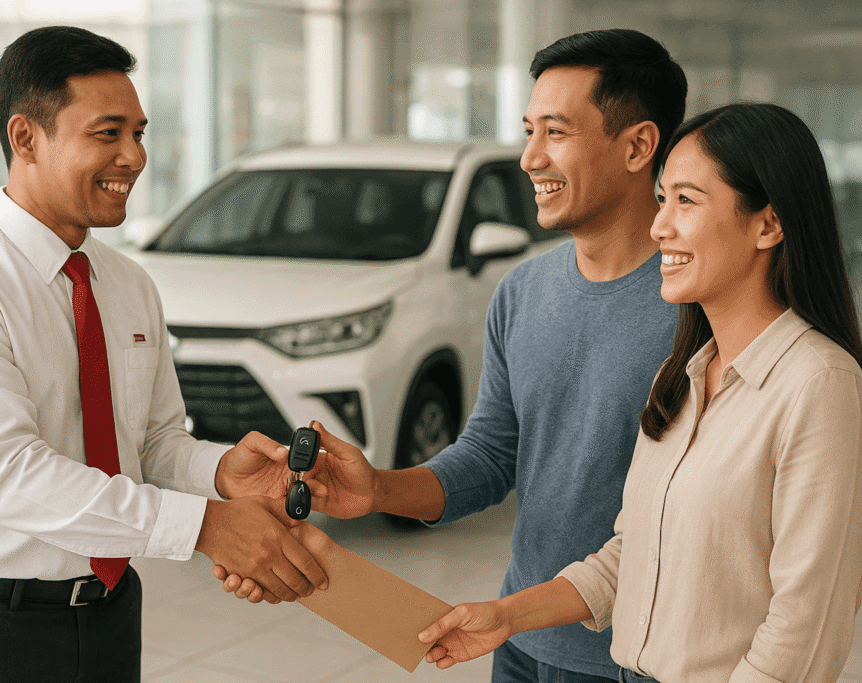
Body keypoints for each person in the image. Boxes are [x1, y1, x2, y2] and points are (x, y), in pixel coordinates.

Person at [216, 28, 688, 682]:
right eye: (528, 130)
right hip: (522, 650)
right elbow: (491, 456)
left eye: (556, 132)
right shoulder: (522, 290)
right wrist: (377, 487)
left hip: (643, 660)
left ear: (638, 145)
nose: (529, 158)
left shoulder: (697, 310)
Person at [0, 26, 326, 683]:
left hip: (109, 612)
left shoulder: (127, 282)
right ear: (26, 137)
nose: (134, 157)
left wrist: (224, 472)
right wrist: (206, 526)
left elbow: (151, 443)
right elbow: (12, 477)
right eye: (108, 132)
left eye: (139, 133)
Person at [417, 102, 862, 682]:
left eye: (687, 200)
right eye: (661, 199)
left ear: (768, 224)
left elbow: (805, 626)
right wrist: (506, 615)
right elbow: (630, 556)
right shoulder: (679, 376)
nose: (659, 226)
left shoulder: (818, 386)